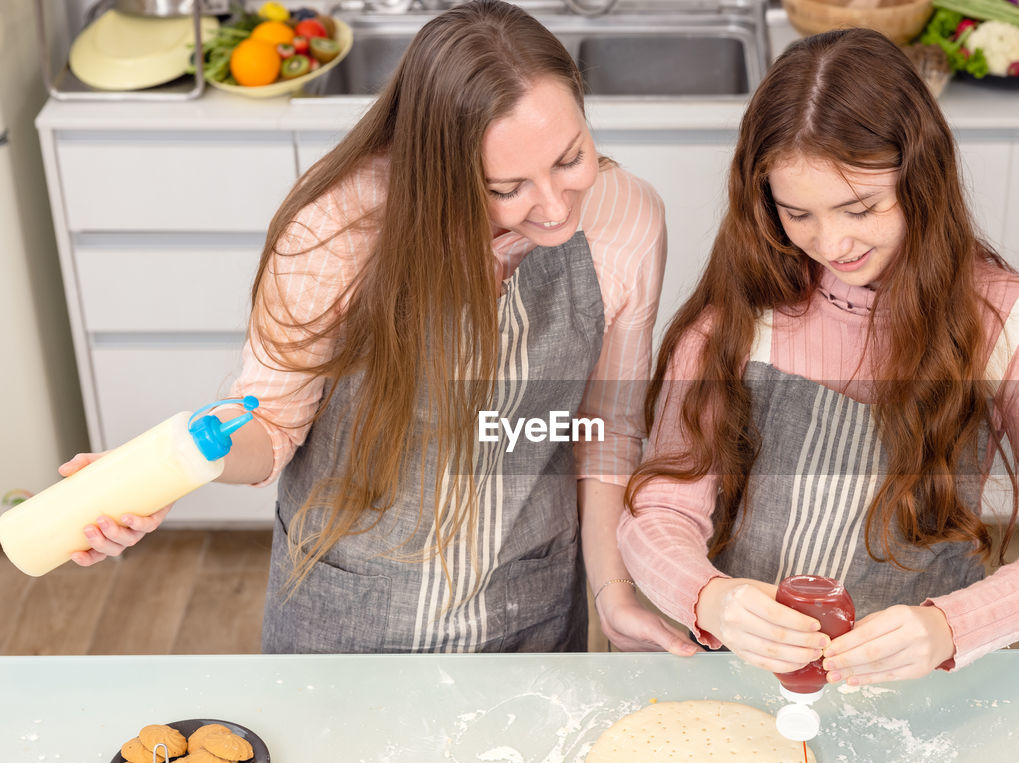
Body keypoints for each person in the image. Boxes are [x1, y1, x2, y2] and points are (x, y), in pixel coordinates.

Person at [60, 0, 697, 657]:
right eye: (507, 188)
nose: (557, 207)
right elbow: (272, 419)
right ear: (440, 169)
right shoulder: (336, 229)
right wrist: (177, 463)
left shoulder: (628, 221)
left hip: (529, 604)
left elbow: (606, 426)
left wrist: (612, 592)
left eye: (571, 159)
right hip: (353, 616)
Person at [618, 28, 1019, 686]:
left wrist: (947, 627)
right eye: (797, 214)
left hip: (921, 687)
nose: (832, 244)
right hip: (745, 673)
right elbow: (659, 511)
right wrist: (710, 598)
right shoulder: (736, 320)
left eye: (860, 208)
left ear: (922, 178)